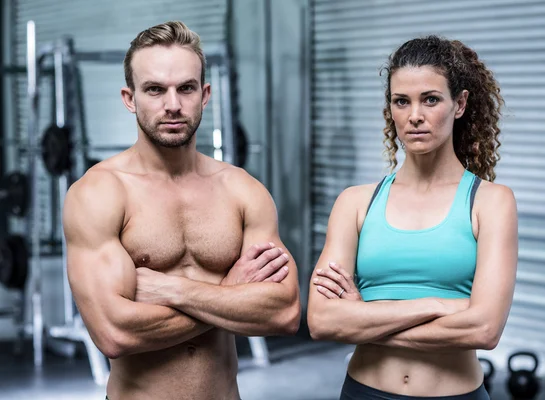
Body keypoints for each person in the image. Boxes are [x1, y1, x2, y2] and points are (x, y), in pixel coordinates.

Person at [63, 21, 301, 400]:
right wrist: (230, 292)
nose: (172, 105)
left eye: (186, 88)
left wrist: (173, 289)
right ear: (130, 98)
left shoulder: (242, 190)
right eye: (155, 89)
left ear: (204, 94)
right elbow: (114, 333)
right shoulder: (99, 193)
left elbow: (284, 312)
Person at [307, 35, 518, 400]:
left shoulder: (491, 203)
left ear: (460, 104)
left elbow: (484, 329)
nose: (415, 115)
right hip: (364, 392)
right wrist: (437, 305)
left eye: (431, 99)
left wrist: (365, 318)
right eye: (401, 101)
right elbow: (323, 320)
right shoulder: (355, 203)